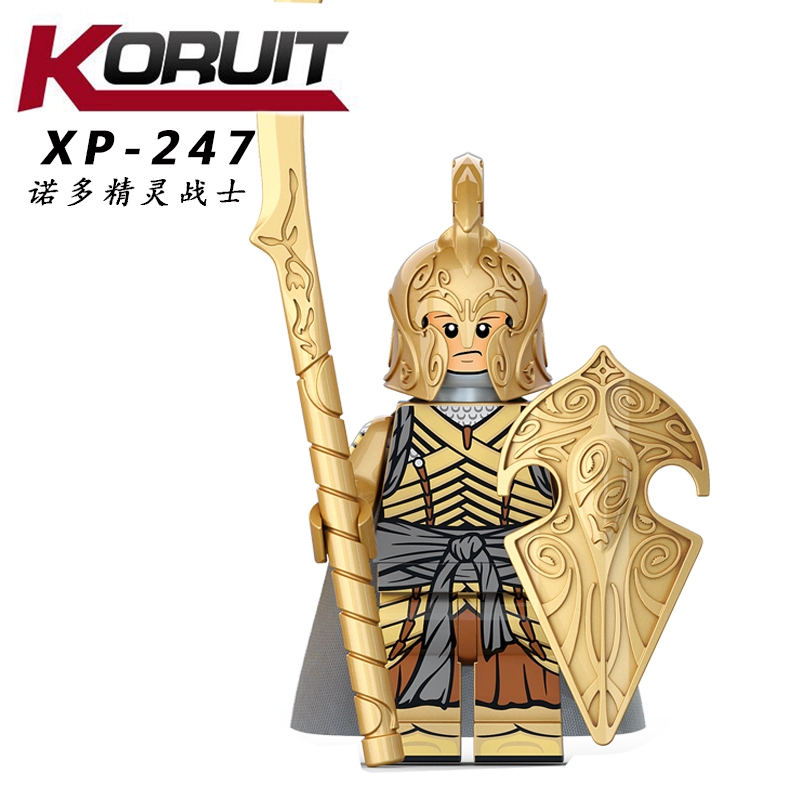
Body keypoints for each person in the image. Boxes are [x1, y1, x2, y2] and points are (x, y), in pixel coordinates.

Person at [291, 154, 644, 763]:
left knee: (521, 733)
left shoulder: (546, 433)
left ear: (520, 329)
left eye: (487, 328)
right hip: (409, 605)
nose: (467, 344)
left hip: (525, 608)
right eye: (448, 328)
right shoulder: (388, 433)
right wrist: (337, 512)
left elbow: (585, 523)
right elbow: (352, 509)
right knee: (418, 732)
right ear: (416, 330)